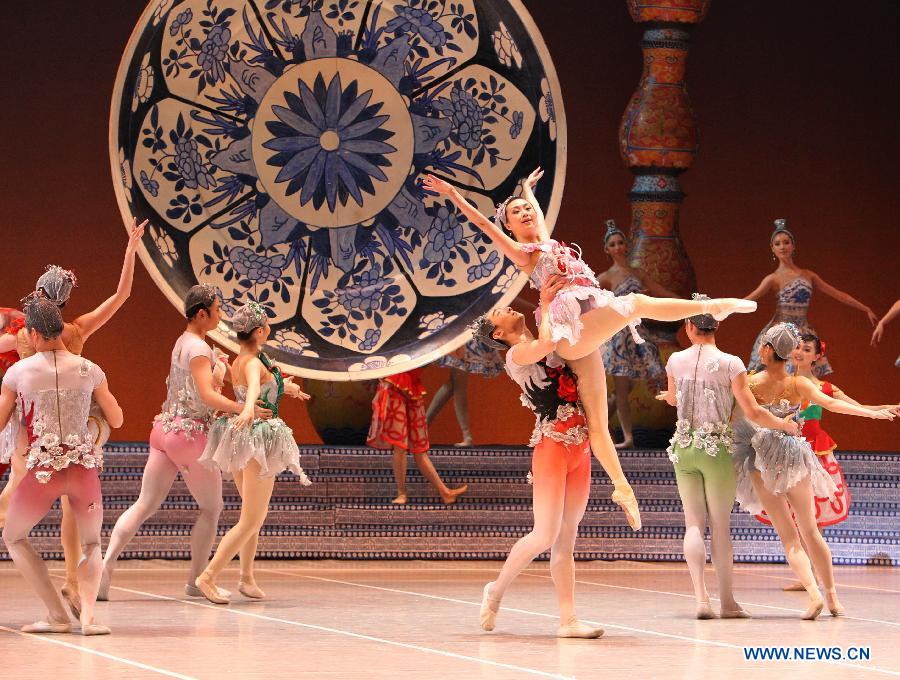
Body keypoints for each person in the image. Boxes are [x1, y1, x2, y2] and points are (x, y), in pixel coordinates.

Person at [423, 170, 755, 530]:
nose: (524, 213)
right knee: (638, 302)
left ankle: (622, 488)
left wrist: (527, 192)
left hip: (581, 334)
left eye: (527, 210)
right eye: (515, 213)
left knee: (597, 422)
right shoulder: (522, 253)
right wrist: (454, 195)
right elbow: (483, 226)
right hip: (570, 332)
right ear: (508, 227)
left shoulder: (548, 244)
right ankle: (712, 306)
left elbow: (538, 218)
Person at [0, 219, 145, 616]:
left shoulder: (25, 334)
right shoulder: (76, 330)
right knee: (72, 509)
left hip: (34, 428)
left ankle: (66, 586)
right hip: (77, 428)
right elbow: (122, 295)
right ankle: (68, 582)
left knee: (15, 496)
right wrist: (130, 251)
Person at [100, 285, 271, 600]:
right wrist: (243, 408)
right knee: (212, 507)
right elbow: (206, 395)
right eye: (217, 311)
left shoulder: (184, 342)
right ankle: (196, 580)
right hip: (189, 435)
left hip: (163, 430)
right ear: (202, 313)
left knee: (144, 504)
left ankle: (104, 567)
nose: (221, 317)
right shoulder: (198, 349)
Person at [732, 323, 895, 619]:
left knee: (789, 536)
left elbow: (736, 417)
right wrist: (870, 413)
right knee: (810, 530)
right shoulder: (799, 385)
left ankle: (813, 594)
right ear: (790, 353)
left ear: (767, 351)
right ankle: (832, 598)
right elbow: (832, 403)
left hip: (760, 459)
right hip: (793, 456)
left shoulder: (751, 382)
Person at [472, 273, 603, 638]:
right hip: (552, 447)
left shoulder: (549, 345)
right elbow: (546, 342)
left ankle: (568, 620)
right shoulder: (516, 355)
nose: (509, 307)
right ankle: (495, 590)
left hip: (580, 446)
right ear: (498, 333)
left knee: (567, 536)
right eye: (500, 313)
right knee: (544, 534)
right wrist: (546, 300)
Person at [655, 301, 800, 619]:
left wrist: (671, 398)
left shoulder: (675, 360)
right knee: (720, 527)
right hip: (716, 450)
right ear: (715, 327)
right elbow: (753, 412)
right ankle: (728, 602)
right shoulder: (731, 363)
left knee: (693, 523)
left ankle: (701, 600)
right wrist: (785, 424)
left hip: (684, 448)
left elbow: (675, 398)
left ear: (690, 327)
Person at [0, 295, 123, 635]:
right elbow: (117, 417)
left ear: (35, 333)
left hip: (42, 472)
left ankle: (56, 615)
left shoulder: (18, 373)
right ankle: (88, 619)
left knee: (14, 537)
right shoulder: (91, 370)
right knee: (92, 543)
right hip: (83, 471)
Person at [195, 301, 311, 603]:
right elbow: (255, 391)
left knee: (253, 514)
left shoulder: (244, 358)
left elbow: (263, 383)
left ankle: (246, 576)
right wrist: (247, 409)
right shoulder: (251, 362)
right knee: (252, 517)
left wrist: (289, 389)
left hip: (242, 438)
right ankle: (208, 577)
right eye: (268, 326)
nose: (270, 330)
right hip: (256, 438)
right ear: (259, 331)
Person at [772, 333, 898, 591]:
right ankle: (808, 573)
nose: (800, 352)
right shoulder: (780, 382)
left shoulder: (825, 389)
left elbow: (857, 406)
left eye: (807, 349)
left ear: (817, 356)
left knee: (812, 517)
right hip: (788, 451)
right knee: (794, 516)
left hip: (814, 452)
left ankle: (816, 575)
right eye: (797, 347)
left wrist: (886, 407)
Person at [745, 219, 878, 377]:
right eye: (778, 243)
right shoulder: (773, 279)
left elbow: (838, 294)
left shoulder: (809, 275)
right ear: (772, 249)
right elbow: (748, 300)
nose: (782, 246)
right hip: (781, 332)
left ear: (793, 246)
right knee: (781, 377)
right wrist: (717, 309)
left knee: (803, 377)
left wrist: (865, 308)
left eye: (786, 242)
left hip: (803, 331)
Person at [598, 220, 671, 448]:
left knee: (629, 387)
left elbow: (660, 292)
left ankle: (596, 425)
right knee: (621, 388)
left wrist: (692, 303)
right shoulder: (606, 277)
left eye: (620, 242)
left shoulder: (638, 273)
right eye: (613, 244)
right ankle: (628, 437)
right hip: (619, 336)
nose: (618, 246)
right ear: (607, 249)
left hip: (638, 333)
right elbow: (594, 304)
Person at [368, 368, 467, 505]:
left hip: (412, 388)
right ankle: (401, 493)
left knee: (420, 450)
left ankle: (445, 492)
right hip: (394, 386)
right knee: (399, 446)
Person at [426, 338, 505, 447]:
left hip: (464, 337)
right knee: (454, 383)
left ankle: (466, 435)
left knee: (457, 384)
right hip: (461, 336)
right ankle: (423, 428)